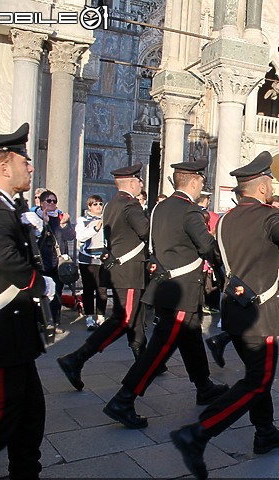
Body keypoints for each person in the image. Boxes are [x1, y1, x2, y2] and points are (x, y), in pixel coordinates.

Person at [169, 151, 279, 479]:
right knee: (257, 379)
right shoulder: (270, 217)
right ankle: (199, 432)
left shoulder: (227, 219)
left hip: (233, 309)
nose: (272, 185)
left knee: (255, 373)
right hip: (261, 314)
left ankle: (265, 431)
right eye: (270, 181)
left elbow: (216, 258)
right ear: (261, 188)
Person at [102, 161, 228, 429]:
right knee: (159, 349)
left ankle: (203, 385)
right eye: (202, 184)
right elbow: (207, 246)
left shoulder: (160, 208)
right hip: (182, 290)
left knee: (192, 336)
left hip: (165, 286)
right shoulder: (189, 211)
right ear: (193, 182)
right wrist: (222, 267)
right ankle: (124, 399)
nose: (202, 188)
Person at [0, 123, 55, 477]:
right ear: (5, 166)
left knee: (29, 421)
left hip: (11, 339)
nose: (30, 167)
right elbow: (1, 258)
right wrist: (39, 283)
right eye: (25, 160)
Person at [57, 163, 150, 392]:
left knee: (135, 319)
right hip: (129, 272)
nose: (141, 183)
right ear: (131, 182)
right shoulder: (130, 205)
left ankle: (147, 362)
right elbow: (146, 232)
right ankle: (77, 358)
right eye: (139, 180)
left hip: (120, 269)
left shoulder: (112, 204)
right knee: (125, 319)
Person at [36, 189, 76, 334]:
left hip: (57, 261)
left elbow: (70, 236)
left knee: (57, 293)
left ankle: (55, 322)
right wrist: (44, 223)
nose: (52, 204)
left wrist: (65, 225)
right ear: (41, 203)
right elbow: (36, 239)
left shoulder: (60, 217)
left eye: (54, 201)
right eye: (49, 201)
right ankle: (41, 321)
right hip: (42, 261)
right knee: (41, 292)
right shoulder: (36, 217)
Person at [75, 194, 108, 331]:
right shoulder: (83, 220)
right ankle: (89, 317)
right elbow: (81, 236)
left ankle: (101, 316)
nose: (98, 207)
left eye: (100, 204)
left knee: (102, 289)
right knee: (89, 289)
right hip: (87, 259)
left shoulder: (107, 219)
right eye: (95, 204)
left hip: (103, 257)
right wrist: (95, 228)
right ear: (89, 206)